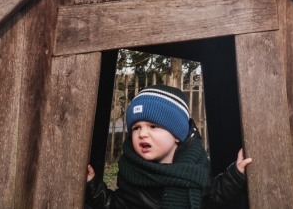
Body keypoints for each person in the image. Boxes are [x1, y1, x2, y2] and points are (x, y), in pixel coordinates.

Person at [85, 85, 252, 209]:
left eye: (153, 126)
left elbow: (214, 197)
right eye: (136, 128)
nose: (142, 134)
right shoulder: (131, 170)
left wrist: (236, 175)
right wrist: (93, 186)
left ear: (176, 136)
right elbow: (113, 205)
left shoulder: (194, 167)